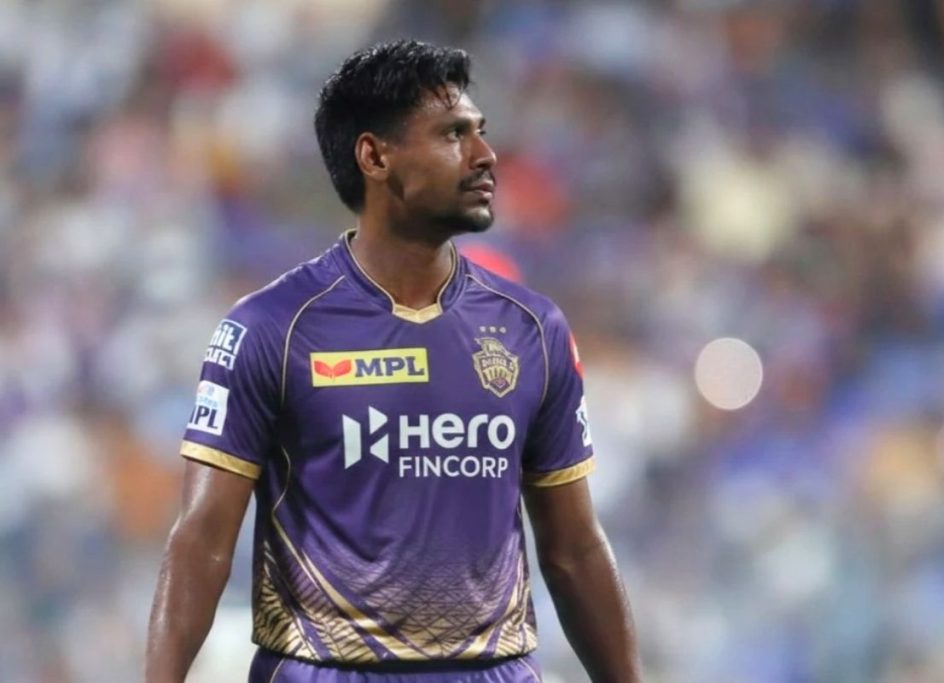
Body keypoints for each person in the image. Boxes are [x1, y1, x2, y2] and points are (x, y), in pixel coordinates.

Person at [146, 39, 641, 683]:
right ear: (375, 156)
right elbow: (202, 541)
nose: (485, 155)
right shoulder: (271, 329)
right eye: (453, 134)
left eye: (481, 132)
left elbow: (574, 550)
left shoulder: (532, 328)